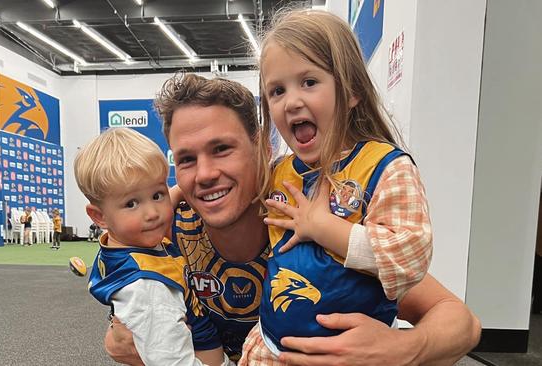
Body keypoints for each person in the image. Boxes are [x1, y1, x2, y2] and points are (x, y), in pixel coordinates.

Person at [105, 72, 480, 365]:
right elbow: (122, 327)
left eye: (222, 149)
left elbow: (462, 322)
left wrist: (403, 349)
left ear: (262, 147)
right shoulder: (164, 232)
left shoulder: (309, 217)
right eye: (186, 159)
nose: (203, 174)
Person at [239, 9, 434, 363]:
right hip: (272, 349)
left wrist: (328, 230)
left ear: (353, 90)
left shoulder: (384, 167)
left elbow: (411, 255)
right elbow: (233, 197)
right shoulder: (278, 173)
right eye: (277, 91)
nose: (292, 101)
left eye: (309, 82)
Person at [74, 127, 230, 366]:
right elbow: (171, 361)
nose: (152, 213)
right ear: (100, 217)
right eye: (131, 203)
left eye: (158, 195)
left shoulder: (128, 246)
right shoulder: (147, 286)